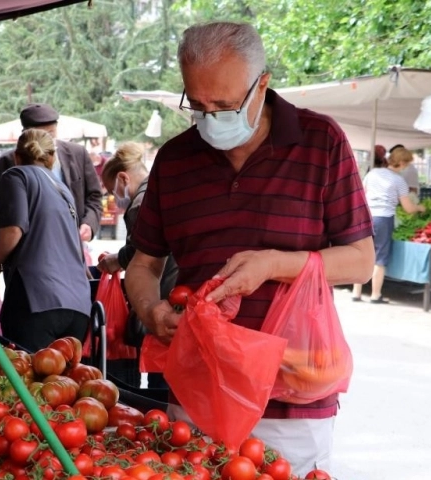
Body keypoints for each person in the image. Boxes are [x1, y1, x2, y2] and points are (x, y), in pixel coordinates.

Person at [124, 21, 375, 475]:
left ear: (262, 84)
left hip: (293, 399)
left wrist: (276, 265)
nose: (210, 117)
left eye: (224, 105)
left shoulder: (322, 142)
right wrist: (150, 310)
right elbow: (143, 264)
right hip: (198, 397)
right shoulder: (175, 159)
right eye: (197, 105)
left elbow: (360, 260)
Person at [0, 129, 91, 351]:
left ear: (17, 156)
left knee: (28, 379)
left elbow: (13, 230)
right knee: (64, 383)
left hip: (36, 300)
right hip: (78, 307)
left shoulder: (16, 175)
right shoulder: (63, 189)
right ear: (52, 158)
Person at [97, 142, 178, 388]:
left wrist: (116, 260)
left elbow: (141, 253)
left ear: (123, 178)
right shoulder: (163, 191)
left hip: (163, 296)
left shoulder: (140, 203)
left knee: (160, 381)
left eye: (113, 191)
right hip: (178, 296)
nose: (114, 198)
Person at [0, 104, 102, 243]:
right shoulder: (3, 165)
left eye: (51, 134)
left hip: (72, 241)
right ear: (25, 134)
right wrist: (17, 231)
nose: (46, 141)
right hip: (26, 247)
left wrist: (88, 224)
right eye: (39, 136)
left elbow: (94, 196)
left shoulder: (77, 154)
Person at [353, 147, 425, 303]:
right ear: (401, 163)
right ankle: (375, 294)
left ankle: (356, 293)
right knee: (380, 257)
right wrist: (419, 208)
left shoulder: (372, 173)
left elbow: (361, 195)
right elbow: (408, 208)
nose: (407, 168)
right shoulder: (399, 181)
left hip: (366, 216)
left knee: (363, 254)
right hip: (384, 219)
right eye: (406, 164)